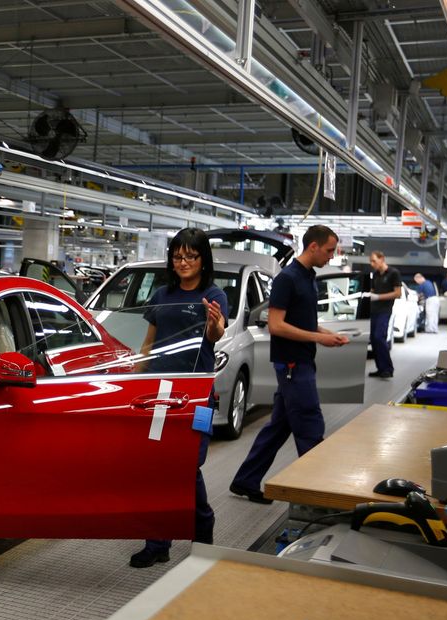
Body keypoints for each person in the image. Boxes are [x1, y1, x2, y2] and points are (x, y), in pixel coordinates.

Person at [129, 228, 227, 568]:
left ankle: (203, 529)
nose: (183, 262)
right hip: (160, 394)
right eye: (177, 256)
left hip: (197, 395)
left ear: (203, 260)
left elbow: (216, 333)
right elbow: (149, 342)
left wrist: (213, 322)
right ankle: (158, 542)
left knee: (188, 465)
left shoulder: (213, 294)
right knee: (158, 467)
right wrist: (135, 379)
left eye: (190, 256)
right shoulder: (162, 294)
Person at [230, 225, 349, 504]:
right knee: (310, 426)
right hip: (292, 365)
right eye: (329, 250)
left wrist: (326, 333)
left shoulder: (308, 277)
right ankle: (316, 498)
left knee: (279, 427)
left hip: (302, 361)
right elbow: (276, 325)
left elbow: (302, 321)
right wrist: (318, 338)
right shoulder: (287, 278)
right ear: (313, 246)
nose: (332, 256)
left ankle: (245, 480)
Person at [366, 252, 401, 379]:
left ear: (382, 259)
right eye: (371, 261)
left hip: (384, 310)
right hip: (373, 310)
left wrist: (378, 297)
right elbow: (372, 290)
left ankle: (388, 369)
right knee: (374, 339)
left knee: (379, 337)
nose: (372, 264)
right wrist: (367, 294)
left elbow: (398, 293)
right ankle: (380, 369)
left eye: (374, 261)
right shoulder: (375, 274)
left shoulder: (393, 273)